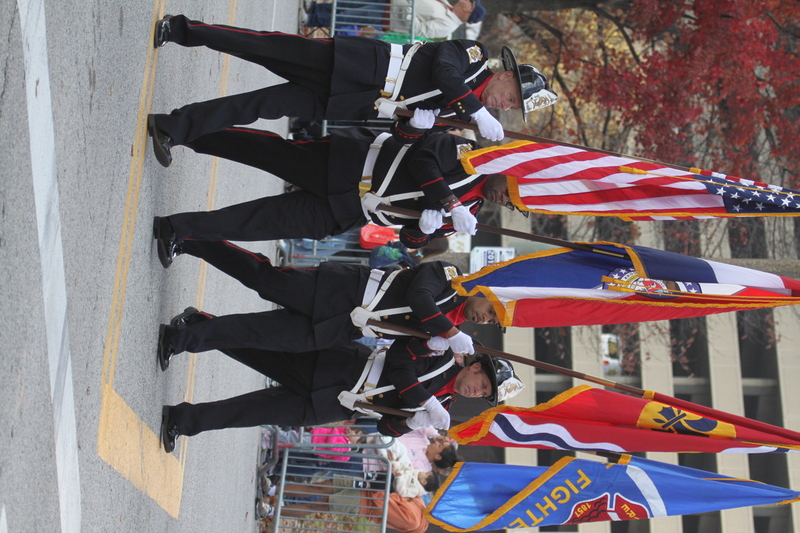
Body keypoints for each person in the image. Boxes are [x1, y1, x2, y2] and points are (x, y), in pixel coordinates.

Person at [148, 15, 557, 166]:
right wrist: (475, 110)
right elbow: (443, 68)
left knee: (259, 105)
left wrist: (416, 123)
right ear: (507, 75)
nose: (504, 105)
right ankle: (184, 29)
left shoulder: (462, 114)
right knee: (263, 45)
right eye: (511, 97)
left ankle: (172, 128)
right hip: (359, 62)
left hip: (357, 98)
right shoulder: (474, 55)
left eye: (510, 108)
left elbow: (405, 138)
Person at [151, 128, 514, 267]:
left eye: (514, 204)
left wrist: (422, 229)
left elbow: (413, 239)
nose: (506, 199)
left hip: (353, 210)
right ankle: (185, 131)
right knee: (260, 151)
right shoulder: (470, 155)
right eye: (511, 190)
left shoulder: (471, 213)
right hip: (351, 166)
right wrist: (448, 201)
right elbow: (424, 159)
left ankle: (178, 228)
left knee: (261, 223)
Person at [158, 327, 523, 451]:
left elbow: (386, 426)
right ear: (476, 366)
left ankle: (184, 419)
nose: (477, 391)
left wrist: (410, 424)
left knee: (254, 412)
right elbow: (400, 364)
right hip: (341, 367)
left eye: (484, 394)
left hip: (342, 405)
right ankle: (195, 330)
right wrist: (424, 401)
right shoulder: (442, 356)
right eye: (483, 383)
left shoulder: (442, 404)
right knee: (257, 348)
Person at [155, 240, 499, 363]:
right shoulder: (451, 275)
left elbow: (399, 354)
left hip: (342, 327)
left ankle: (182, 338)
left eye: (491, 322)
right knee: (261, 277)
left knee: (256, 334)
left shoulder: (452, 332)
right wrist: (448, 333)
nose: (485, 319)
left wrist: (429, 348)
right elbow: (418, 296)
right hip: (340, 291)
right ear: (483, 293)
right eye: (490, 310)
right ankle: (192, 239)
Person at [306, 0, 486, 40]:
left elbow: (418, 30)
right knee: (347, 5)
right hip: (390, 4)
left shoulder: (447, 26)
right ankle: (314, 9)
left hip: (390, 15)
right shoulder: (446, 4)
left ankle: (311, 19)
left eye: (469, 1)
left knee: (347, 16)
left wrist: (406, 8)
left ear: (468, 9)